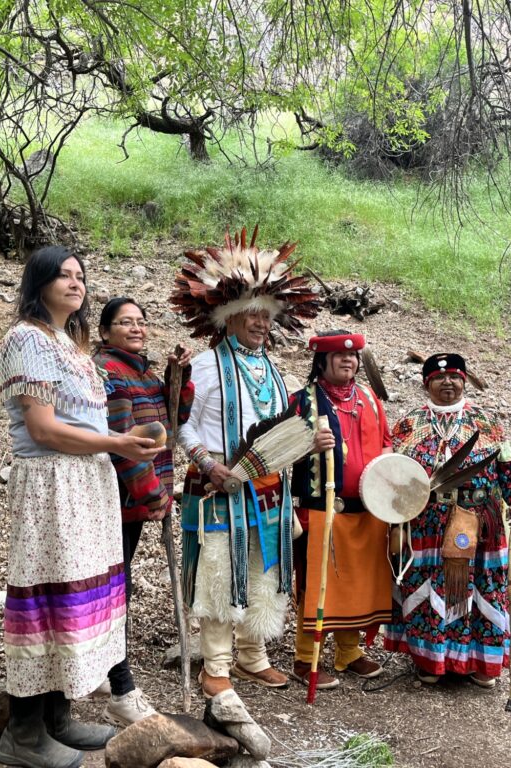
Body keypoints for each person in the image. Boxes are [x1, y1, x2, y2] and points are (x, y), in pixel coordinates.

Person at [0, 246, 159, 768]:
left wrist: (117, 442)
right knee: (48, 595)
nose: (75, 282)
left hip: (84, 483)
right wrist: (117, 442)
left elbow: (82, 425)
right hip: (52, 486)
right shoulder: (26, 339)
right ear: (38, 283)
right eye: (62, 275)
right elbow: (43, 429)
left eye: (80, 276)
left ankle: (56, 717)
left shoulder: (68, 343)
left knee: (76, 595)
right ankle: (21, 735)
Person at [172, 226, 320, 698]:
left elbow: (279, 433)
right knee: (219, 571)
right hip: (219, 481)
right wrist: (206, 463)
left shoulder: (276, 371)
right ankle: (215, 664)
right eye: (250, 314)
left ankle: (253, 655)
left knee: (265, 567)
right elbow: (181, 424)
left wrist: (305, 443)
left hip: (268, 484)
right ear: (229, 317)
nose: (259, 322)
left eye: (265, 315)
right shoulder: (205, 366)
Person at [383, 353, 511, 687]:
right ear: (426, 384)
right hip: (427, 520)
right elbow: (392, 472)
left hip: (481, 521)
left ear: (464, 381)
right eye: (438, 377)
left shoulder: (486, 421)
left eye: (454, 376)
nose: (447, 382)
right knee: (428, 586)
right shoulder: (409, 424)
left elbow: (506, 464)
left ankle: (481, 663)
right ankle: (431, 660)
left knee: (482, 588)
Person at [93, 297, 193, 725]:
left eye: (141, 321)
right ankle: (120, 683)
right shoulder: (109, 373)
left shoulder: (143, 370)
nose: (136, 328)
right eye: (124, 322)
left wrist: (179, 380)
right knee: (115, 588)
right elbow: (123, 446)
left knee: (114, 583)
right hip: (118, 497)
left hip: (138, 500)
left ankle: (97, 664)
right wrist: (153, 493)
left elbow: (174, 420)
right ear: (105, 331)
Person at [290, 331, 393, 689]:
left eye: (352, 357)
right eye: (339, 356)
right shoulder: (302, 401)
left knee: (356, 580)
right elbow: (276, 451)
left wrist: (386, 467)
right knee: (315, 583)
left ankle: (348, 653)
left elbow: (385, 442)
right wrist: (307, 444)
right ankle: (306, 658)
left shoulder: (368, 398)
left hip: (367, 508)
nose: (348, 361)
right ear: (322, 361)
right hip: (320, 508)